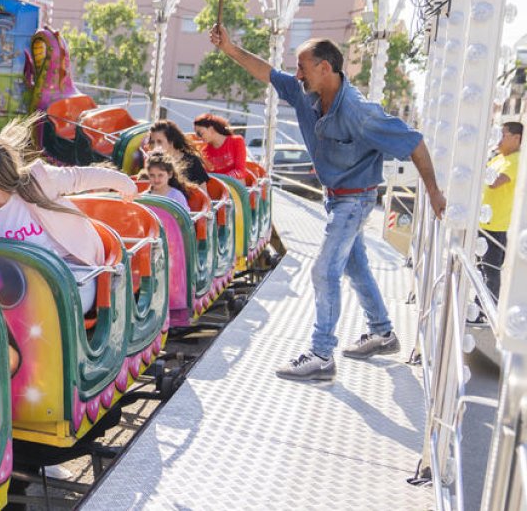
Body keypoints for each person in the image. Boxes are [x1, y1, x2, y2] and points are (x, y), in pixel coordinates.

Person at [210, 26, 447, 382]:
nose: (297, 73)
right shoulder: (307, 94)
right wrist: (230, 48)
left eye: (302, 66)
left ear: (325, 68)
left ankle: (322, 354)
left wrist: (433, 191)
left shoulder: (359, 111)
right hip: (335, 198)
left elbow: (414, 142)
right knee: (354, 266)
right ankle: (382, 332)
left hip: (355, 200)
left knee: (324, 270)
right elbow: (266, 72)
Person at [0, 116, 138, 312]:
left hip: (71, 273)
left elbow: (79, 177)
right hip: (20, 285)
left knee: (35, 307)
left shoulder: (37, 180)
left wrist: (123, 182)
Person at [479, 121, 521, 301]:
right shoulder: (498, 158)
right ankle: (479, 305)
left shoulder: (517, 160)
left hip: (497, 226)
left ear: (517, 138)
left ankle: (485, 309)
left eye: (503, 135)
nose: (498, 139)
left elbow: (495, 182)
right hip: (483, 222)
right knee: (480, 267)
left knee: (491, 270)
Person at [149, 119, 211, 187]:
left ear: (171, 141)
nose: (155, 146)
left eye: (159, 142)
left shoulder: (192, 161)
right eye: (152, 142)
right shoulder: (151, 162)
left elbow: (203, 193)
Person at [193, 113, 248, 180]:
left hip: (236, 187)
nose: (199, 137)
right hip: (218, 188)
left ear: (211, 129)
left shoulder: (236, 141)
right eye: (197, 135)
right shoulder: (204, 151)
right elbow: (208, 177)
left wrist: (222, 180)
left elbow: (240, 171)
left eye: (200, 133)